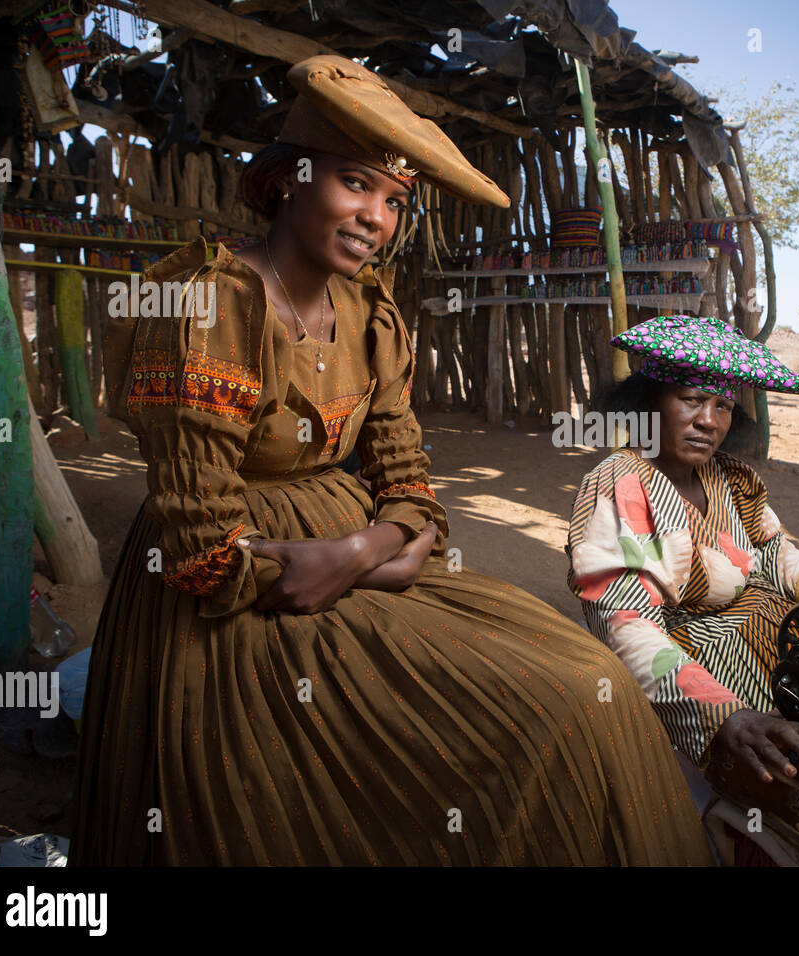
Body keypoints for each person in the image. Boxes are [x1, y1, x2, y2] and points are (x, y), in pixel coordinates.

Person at [70, 56, 712, 866]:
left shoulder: (369, 310)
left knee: (593, 681)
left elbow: (409, 486)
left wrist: (363, 550)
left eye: (395, 200)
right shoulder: (211, 308)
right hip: (240, 603)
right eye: (354, 183)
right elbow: (206, 555)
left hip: (346, 558)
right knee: (539, 716)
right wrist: (360, 558)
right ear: (286, 181)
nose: (376, 216)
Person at [565, 315, 799, 785]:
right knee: (795, 724)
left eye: (723, 405)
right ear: (648, 401)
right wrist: (727, 717)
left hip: (768, 621)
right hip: (695, 652)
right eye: (691, 400)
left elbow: (775, 551)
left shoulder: (727, 477)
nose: (708, 421)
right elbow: (625, 623)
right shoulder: (622, 484)